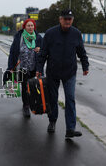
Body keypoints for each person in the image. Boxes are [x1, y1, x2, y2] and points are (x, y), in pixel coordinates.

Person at [36, 9, 89, 138]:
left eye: (69, 19)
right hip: (53, 72)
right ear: (60, 19)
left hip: (69, 72)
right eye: (65, 19)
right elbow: (43, 53)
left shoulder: (76, 34)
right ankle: (52, 121)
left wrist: (85, 65)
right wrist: (39, 69)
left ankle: (70, 128)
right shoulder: (50, 33)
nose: (67, 21)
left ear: (72, 20)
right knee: (53, 99)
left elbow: (81, 51)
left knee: (70, 99)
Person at [6, 19, 43, 118]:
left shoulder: (38, 38)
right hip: (22, 67)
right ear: (24, 27)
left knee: (33, 87)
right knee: (25, 87)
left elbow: (44, 52)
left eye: (32, 26)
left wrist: (40, 50)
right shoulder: (19, 37)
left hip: (34, 67)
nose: (30, 27)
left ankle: (31, 103)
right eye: (28, 26)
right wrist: (10, 67)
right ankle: (26, 106)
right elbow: (13, 52)